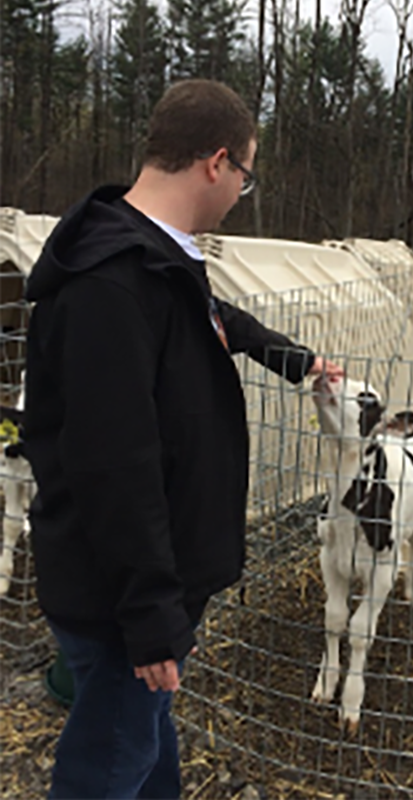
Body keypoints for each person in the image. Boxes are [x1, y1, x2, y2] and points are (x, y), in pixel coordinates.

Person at [22, 79, 343, 800]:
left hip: (147, 586)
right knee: (108, 766)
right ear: (216, 162)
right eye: (246, 176)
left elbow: (210, 313)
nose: (240, 192)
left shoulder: (154, 259)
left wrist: (293, 358)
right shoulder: (109, 286)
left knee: (144, 741)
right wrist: (151, 619)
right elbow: (115, 466)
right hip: (120, 598)